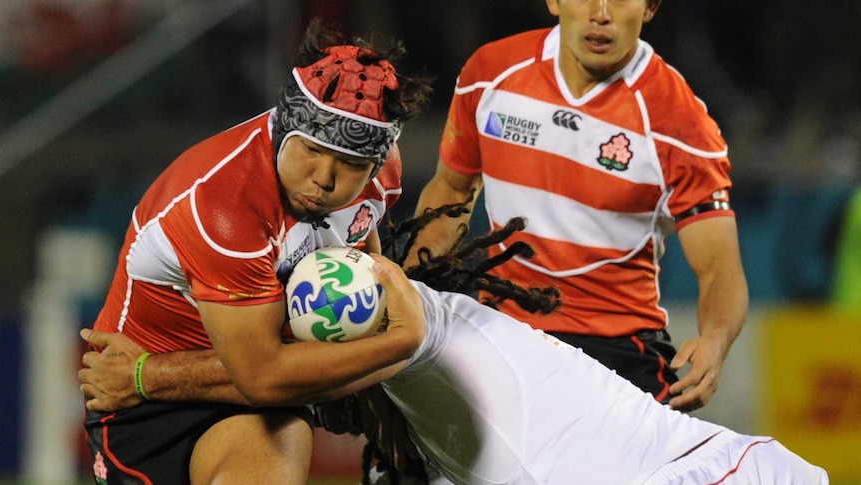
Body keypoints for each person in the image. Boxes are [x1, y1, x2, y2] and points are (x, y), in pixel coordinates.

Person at [79, 228, 827, 484]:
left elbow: (304, 351)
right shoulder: (430, 436)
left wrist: (148, 376)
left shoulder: (426, 322)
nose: (334, 405)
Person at [80, 19, 433, 484]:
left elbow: (351, 316)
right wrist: (402, 344)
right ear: (282, 130)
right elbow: (263, 375)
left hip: (234, 398)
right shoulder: (225, 204)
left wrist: (373, 380)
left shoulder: (381, 177)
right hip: (142, 407)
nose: (324, 179)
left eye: (349, 164)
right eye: (310, 150)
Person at [407, 0, 749, 411]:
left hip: (616, 352)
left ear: (651, 7)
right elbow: (452, 188)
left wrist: (714, 341)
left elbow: (719, 269)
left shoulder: (683, 127)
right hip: (501, 335)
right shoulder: (490, 73)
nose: (600, 13)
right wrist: (408, 288)